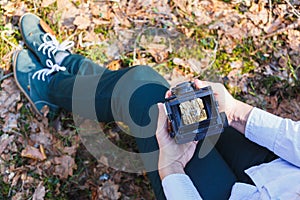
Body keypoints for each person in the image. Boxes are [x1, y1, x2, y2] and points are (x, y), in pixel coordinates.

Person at [13, 13, 299, 200]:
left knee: (143, 89)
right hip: (277, 165)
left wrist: (172, 169)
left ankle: (52, 85)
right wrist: (237, 112)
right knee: (160, 98)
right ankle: (71, 68)